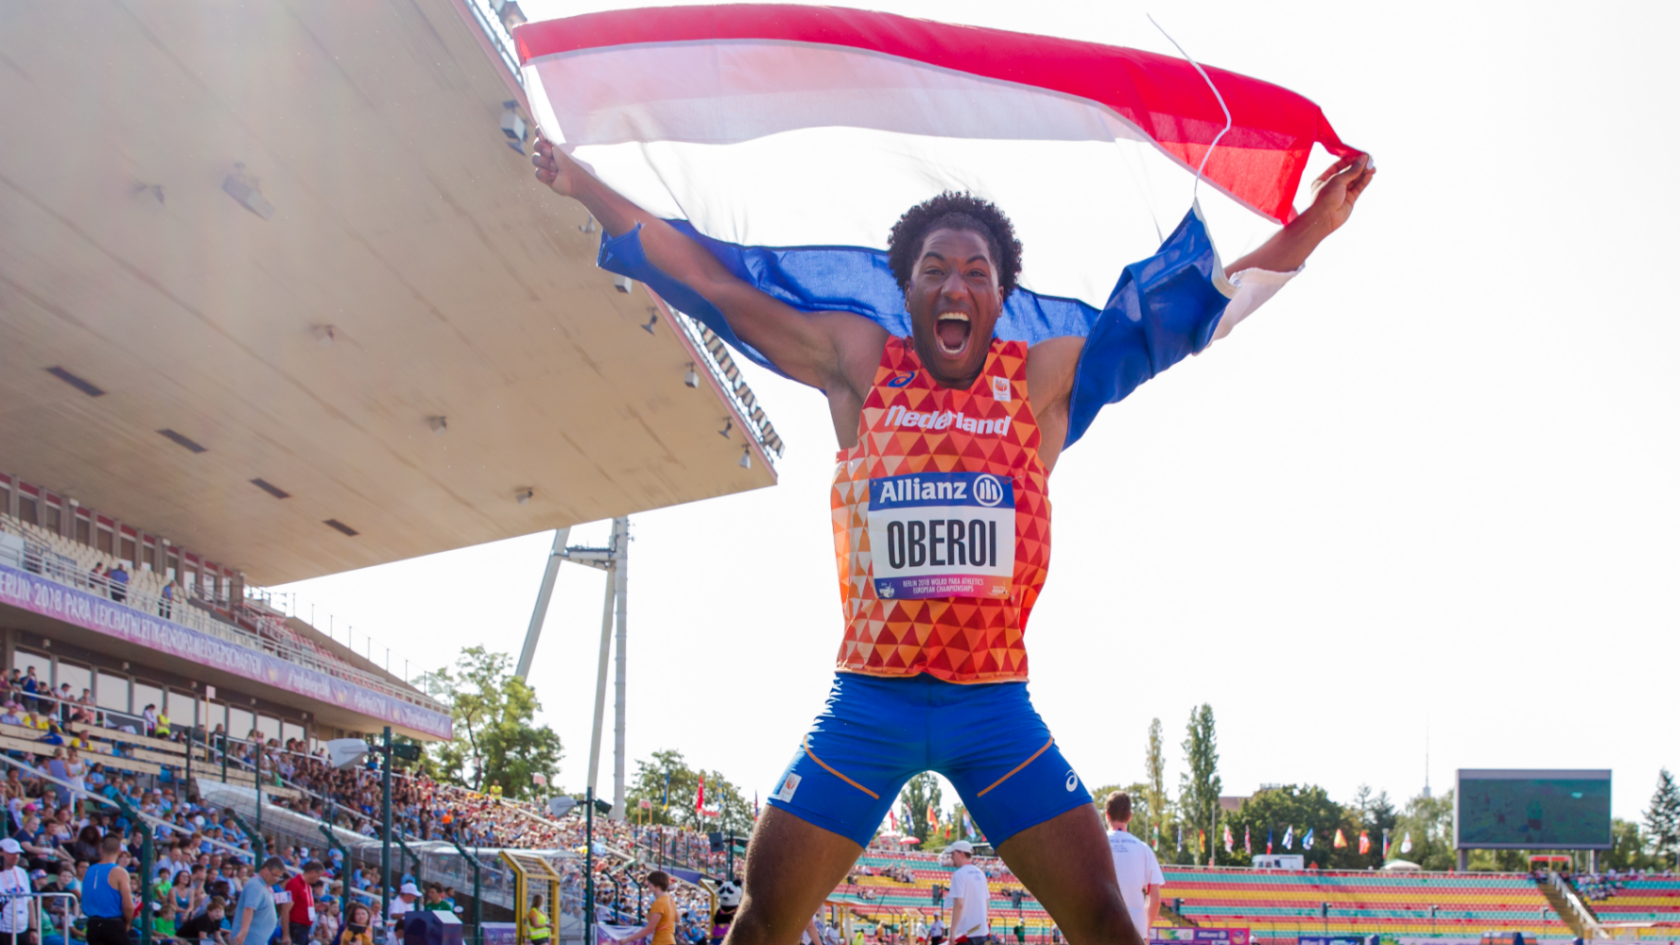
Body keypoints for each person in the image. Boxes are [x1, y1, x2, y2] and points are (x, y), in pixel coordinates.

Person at [533, 89, 1372, 945]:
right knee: (767, 909)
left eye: (976, 271)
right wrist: (586, 185)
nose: (955, 282)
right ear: (908, 288)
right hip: (868, 702)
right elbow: (714, 281)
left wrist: (1312, 227)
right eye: (935, 268)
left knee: (1103, 918)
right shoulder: (859, 363)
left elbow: (1188, 318)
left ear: (1002, 294)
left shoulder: (1040, 380)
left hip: (995, 710)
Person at [1104, 792, 1163, 939]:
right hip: (1134, 931)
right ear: (1130, 816)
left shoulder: (1094, 846)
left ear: (1107, 815)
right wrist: (1145, 931)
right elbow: (1155, 899)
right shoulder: (1144, 849)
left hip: (1101, 930)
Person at [943, 842, 989, 945]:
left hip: (964, 935)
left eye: (953, 854)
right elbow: (987, 904)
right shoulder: (981, 874)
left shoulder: (959, 875)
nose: (951, 857)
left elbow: (959, 904)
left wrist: (952, 931)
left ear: (962, 854)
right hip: (980, 932)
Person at [231, 857, 284, 945]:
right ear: (265, 869)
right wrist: (243, 933)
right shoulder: (256, 886)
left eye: (279, 877)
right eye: (274, 875)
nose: (276, 879)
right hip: (248, 940)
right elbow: (249, 908)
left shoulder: (263, 886)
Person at [622, 872, 677, 945]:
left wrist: (627, 939)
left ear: (656, 884)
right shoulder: (670, 900)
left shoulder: (659, 903)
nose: (647, 884)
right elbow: (677, 918)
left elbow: (649, 929)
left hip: (661, 942)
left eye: (649, 882)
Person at [0, 839, 36, 945]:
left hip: (22, 929)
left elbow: (29, 901)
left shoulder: (22, 872)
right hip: (3, 930)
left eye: (17, 853)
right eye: (11, 853)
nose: (15, 856)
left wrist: (32, 929)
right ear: (1, 853)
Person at [284, 861, 324, 945]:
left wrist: (316, 909)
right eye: (319, 876)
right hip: (296, 928)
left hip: (304, 930)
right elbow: (285, 910)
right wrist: (286, 934)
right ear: (312, 873)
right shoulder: (294, 884)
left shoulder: (308, 886)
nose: (318, 879)